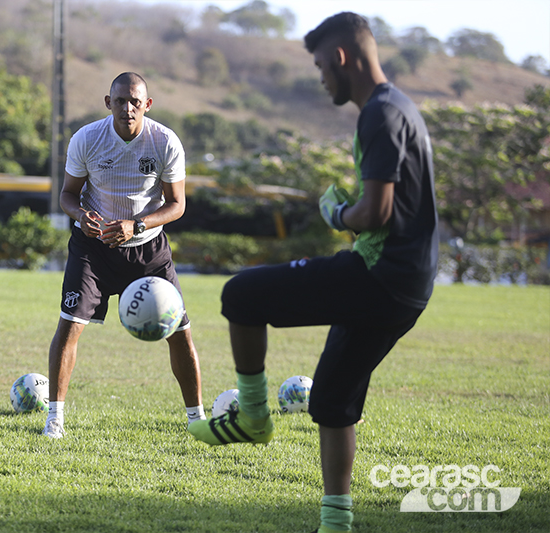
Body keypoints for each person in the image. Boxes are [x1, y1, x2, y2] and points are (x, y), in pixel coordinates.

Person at [188, 12, 438, 533]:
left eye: (322, 66)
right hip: (409, 285)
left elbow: (376, 213)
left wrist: (337, 214)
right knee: (331, 400)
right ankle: (336, 522)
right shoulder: (400, 107)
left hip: (379, 275)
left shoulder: (380, 113)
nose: (321, 77)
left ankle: (252, 416)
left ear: (342, 58)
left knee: (241, 294)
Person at [42, 71, 205, 439]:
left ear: (147, 105)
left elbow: (177, 204)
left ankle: (197, 419)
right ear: (108, 103)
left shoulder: (164, 141)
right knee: (69, 325)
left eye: (135, 101)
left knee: (180, 332)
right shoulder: (87, 139)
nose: (127, 108)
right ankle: (54, 419)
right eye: (120, 101)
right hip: (93, 249)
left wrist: (138, 225)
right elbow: (67, 195)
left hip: (148, 250)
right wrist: (81, 216)